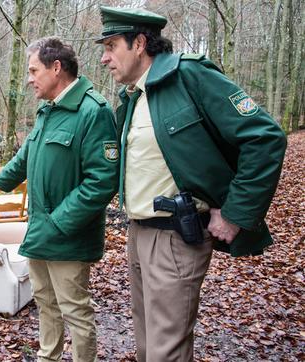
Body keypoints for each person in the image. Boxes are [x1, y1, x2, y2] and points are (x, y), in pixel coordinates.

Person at [96, 6, 287, 361]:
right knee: (146, 346)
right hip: (138, 234)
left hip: (174, 237)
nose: (105, 58)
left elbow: (265, 137)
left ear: (139, 43)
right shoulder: (134, 97)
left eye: (111, 46)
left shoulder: (190, 77)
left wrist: (234, 212)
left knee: (165, 352)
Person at [0, 37, 119, 361]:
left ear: (57, 67)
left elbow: (103, 180)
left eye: (34, 70)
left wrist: (59, 222)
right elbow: (26, 156)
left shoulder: (93, 111)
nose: (29, 78)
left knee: (74, 311)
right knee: (45, 304)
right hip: (39, 231)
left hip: (68, 236)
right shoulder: (46, 111)